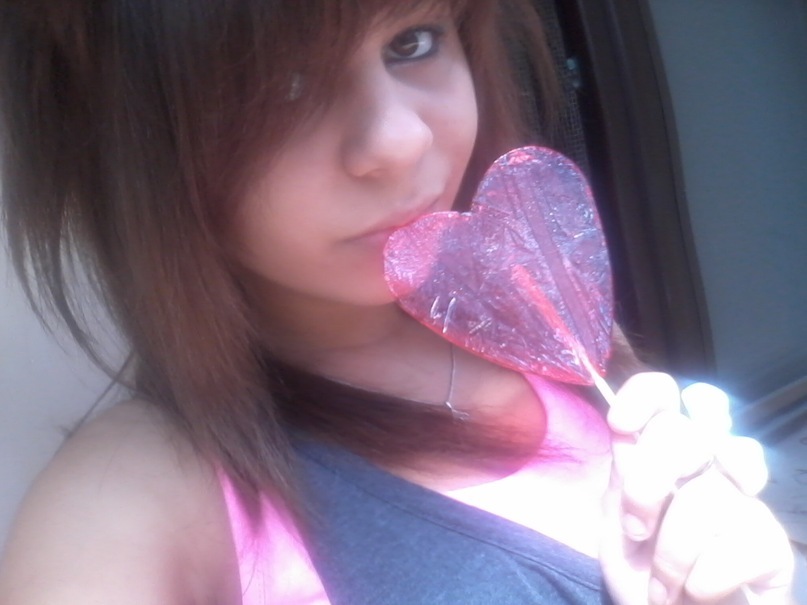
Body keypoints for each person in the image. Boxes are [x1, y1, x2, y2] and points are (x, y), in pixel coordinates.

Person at [0, 0, 797, 603]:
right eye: (280, 84)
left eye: (412, 40)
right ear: (137, 148)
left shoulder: (525, 312)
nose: (400, 142)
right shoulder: (129, 505)